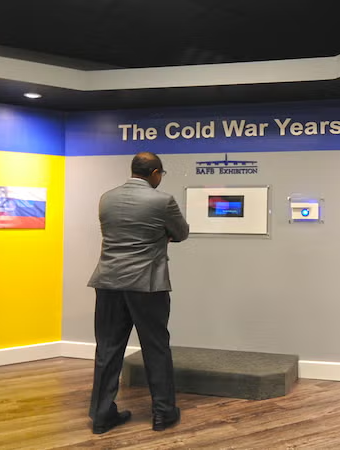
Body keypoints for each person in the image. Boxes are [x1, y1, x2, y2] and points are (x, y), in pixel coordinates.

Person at [87, 151, 190, 434]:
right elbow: (181, 233)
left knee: (107, 350)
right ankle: (163, 414)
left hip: (107, 283)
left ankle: (101, 415)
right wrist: (162, 235)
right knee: (155, 348)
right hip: (147, 285)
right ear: (155, 173)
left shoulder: (106, 198)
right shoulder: (162, 200)